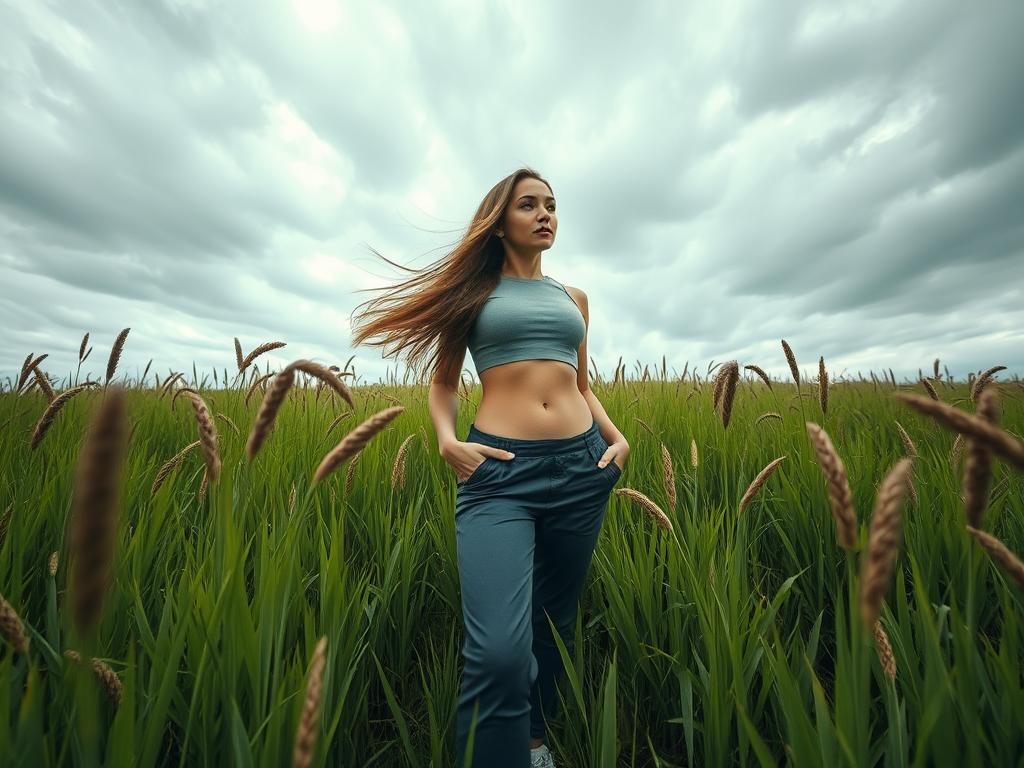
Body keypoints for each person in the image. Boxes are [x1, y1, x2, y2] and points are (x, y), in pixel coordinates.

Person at [350, 167, 628, 768]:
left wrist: (616, 438)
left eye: (552, 204)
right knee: (499, 650)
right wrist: (447, 440)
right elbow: (445, 384)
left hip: (582, 468)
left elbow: (583, 384)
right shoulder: (471, 295)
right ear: (500, 222)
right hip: (500, 476)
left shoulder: (573, 298)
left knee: (551, 625)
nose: (545, 214)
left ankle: (532, 745)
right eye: (529, 205)